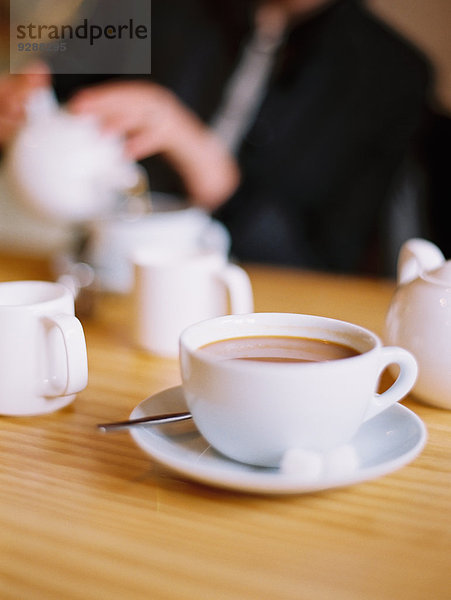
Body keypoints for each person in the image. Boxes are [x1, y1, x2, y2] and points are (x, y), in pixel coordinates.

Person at [0, 0, 436, 274]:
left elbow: (328, 263)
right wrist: (25, 102)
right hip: (114, 275)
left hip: (268, 306)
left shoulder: (391, 74)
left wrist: (208, 164)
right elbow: (60, 77)